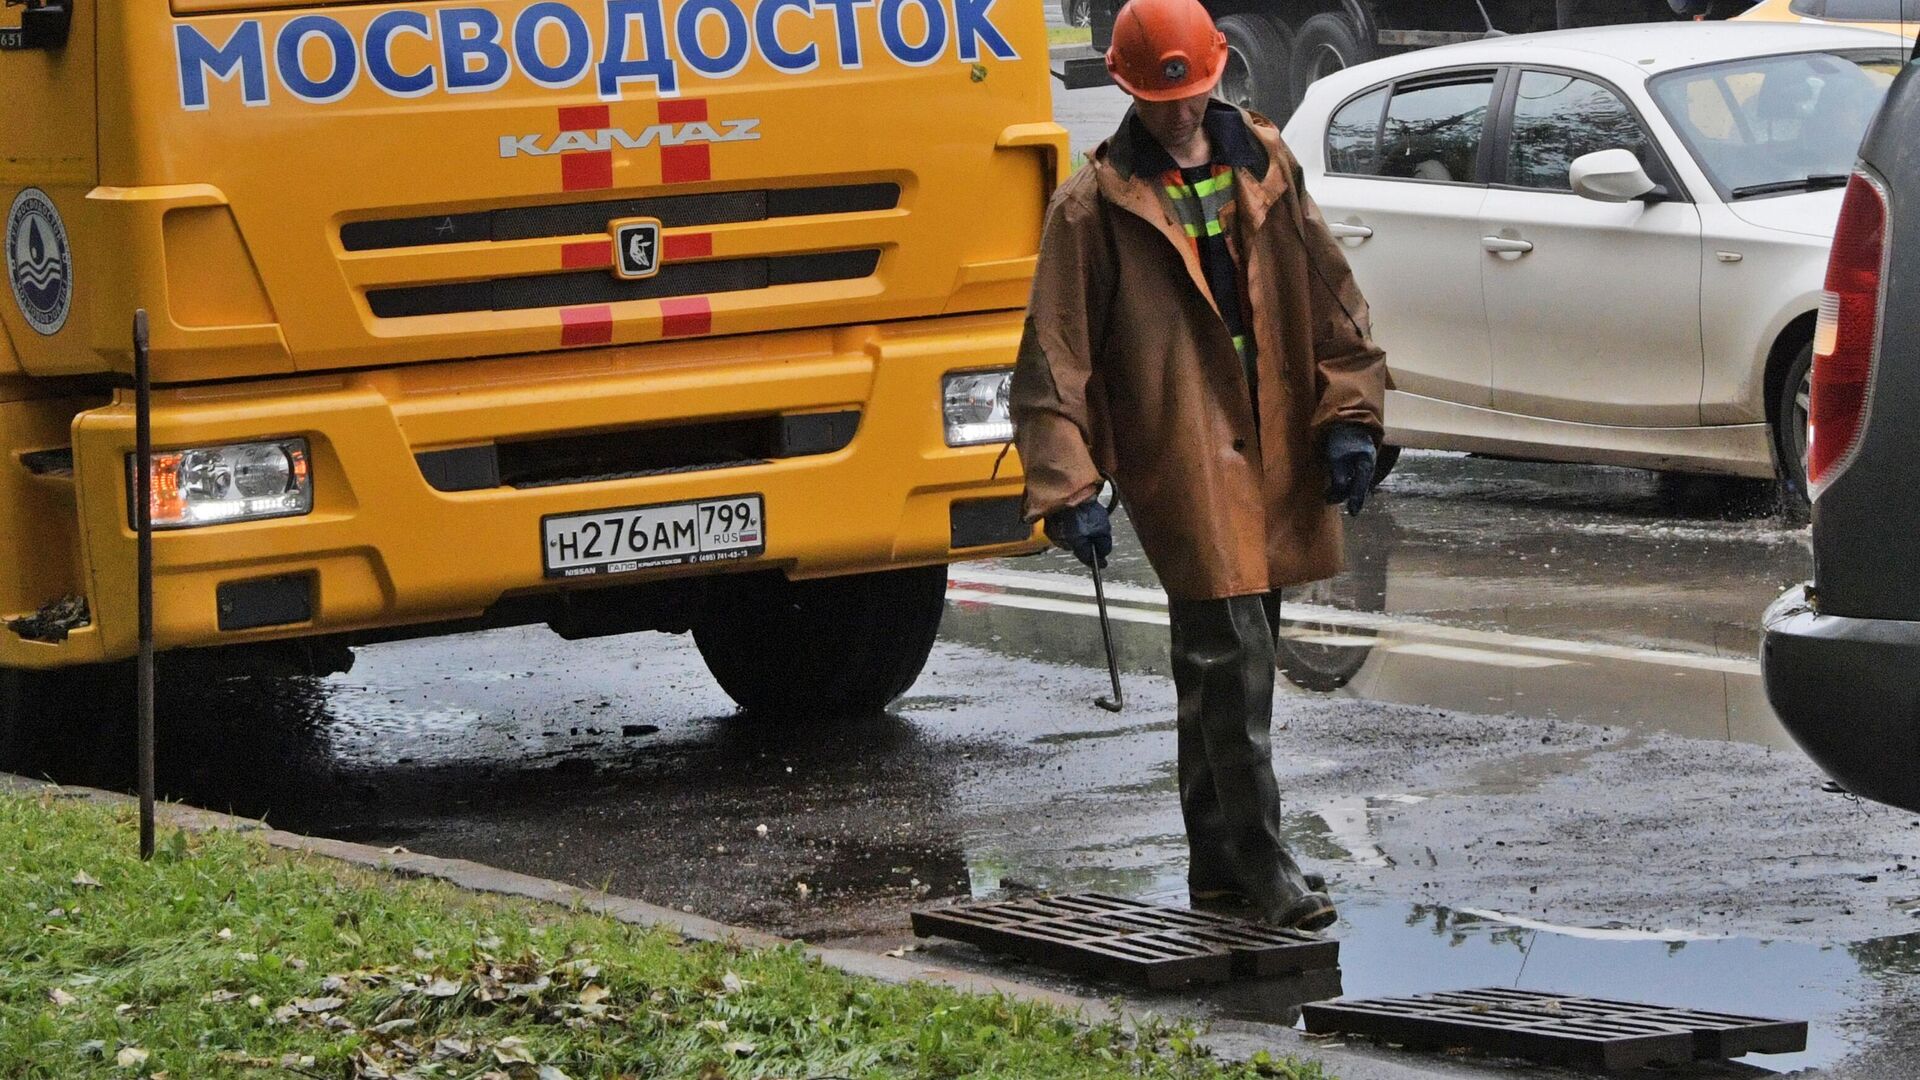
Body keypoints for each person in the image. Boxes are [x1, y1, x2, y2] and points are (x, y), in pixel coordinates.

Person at [1009, 0, 1387, 932]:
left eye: (1189, 92)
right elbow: (1054, 358)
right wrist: (1070, 485)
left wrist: (1350, 418)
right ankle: (1264, 869)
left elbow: (1332, 299)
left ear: (1215, 75)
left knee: (1216, 664)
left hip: (1271, 444)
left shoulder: (1265, 164)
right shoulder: (1091, 207)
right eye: (1157, 96)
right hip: (1178, 453)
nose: (1178, 112)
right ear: (1128, 91)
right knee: (1232, 661)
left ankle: (1217, 870)